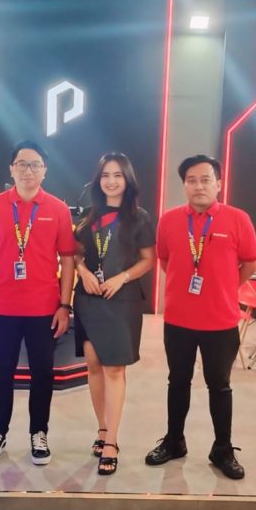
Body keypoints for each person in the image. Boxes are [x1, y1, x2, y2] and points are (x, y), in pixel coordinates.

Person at [145, 154, 256, 480]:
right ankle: (174, 441)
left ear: (219, 184)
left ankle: (222, 448)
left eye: (206, 179)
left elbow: (250, 263)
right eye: (191, 180)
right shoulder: (168, 220)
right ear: (184, 185)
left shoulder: (238, 219)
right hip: (178, 320)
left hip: (220, 321)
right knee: (178, 382)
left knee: (219, 386)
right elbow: (165, 260)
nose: (199, 186)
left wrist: (224, 288)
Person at [0, 140, 76, 466]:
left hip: (45, 310)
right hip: (4, 307)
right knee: (1, 373)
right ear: (11, 169)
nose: (28, 171)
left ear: (45, 171)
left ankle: (38, 433)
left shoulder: (57, 209)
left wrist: (65, 305)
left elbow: (68, 259)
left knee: (43, 374)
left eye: (35, 165)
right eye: (22, 164)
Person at [73, 152, 155, 475]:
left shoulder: (139, 218)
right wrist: (83, 272)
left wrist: (122, 277)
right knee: (93, 365)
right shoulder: (88, 218)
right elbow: (76, 255)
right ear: (99, 180)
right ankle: (102, 428)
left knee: (115, 369)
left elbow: (148, 260)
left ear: (127, 179)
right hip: (88, 300)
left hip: (122, 302)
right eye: (106, 175)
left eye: (117, 175)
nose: (111, 181)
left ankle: (112, 442)